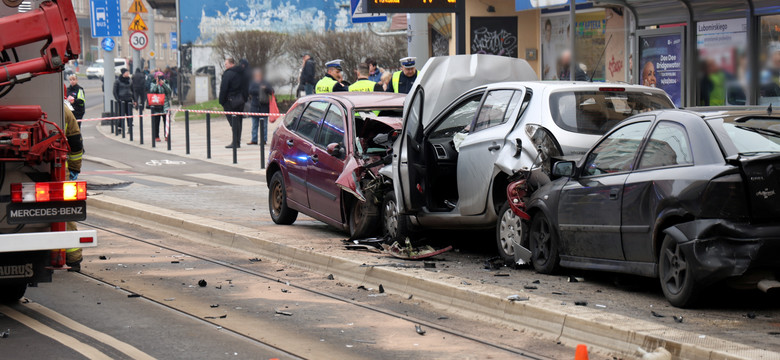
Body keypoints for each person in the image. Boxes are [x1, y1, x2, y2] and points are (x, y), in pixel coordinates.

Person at [62, 102, 84, 272]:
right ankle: (74, 259)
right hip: (60, 170)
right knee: (66, 211)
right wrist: (75, 169)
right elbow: (76, 143)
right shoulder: (64, 110)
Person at [219, 57, 247, 148]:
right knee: (239, 120)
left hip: (230, 101)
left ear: (231, 64)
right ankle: (237, 141)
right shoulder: (242, 73)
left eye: (226, 64)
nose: (225, 66)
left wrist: (221, 101)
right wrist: (244, 98)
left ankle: (235, 142)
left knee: (233, 122)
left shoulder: (228, 74)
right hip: (240, 100)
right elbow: (246, 85)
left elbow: (224, 88)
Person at [247, 68, 274, 146]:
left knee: (264, 125)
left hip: (264, 106)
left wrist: (265, 88)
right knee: (254, 124)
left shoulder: (265, 82)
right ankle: (254, 139)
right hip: (255, 106)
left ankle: (264, 140)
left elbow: (271, 91)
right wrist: (259, 89)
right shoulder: (252, 83)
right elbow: (250, 91)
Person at [148, 72, 172, 142]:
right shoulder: (153, 83)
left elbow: (169, 92)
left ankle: (167, 135)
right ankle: (156, 136)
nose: (160, 78)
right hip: (156, 104)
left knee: (166, 121)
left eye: (161, 77)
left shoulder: (166, 83)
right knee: (156, 121)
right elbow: (152, 91)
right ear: (155, 77)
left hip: (165, 104)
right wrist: (157, 84)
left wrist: (163, 84)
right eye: (158, 77)